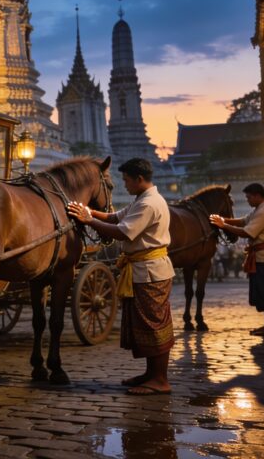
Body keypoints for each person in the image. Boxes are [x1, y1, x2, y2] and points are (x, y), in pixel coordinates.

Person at [68, 157, 174, 396]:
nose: (124, 185)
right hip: (143, 270)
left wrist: (89, 221)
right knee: (145, 324)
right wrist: (88, 211)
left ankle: (160, 379)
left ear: (139, 179)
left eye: (126, 180)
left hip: (150, 271)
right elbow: (116, 217)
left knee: (154, 324)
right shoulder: (143, 199)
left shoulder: (149, 204)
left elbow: (122, 232)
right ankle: (151, 374)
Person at [209, 183, 264, 336]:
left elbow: (246, 232)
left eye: (249, 197)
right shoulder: (259, 209)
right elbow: (243, 221)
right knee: (263, 292)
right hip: (261, 257)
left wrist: (223, 225)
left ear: (257, 196)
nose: (248, 200)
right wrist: (223, 220)